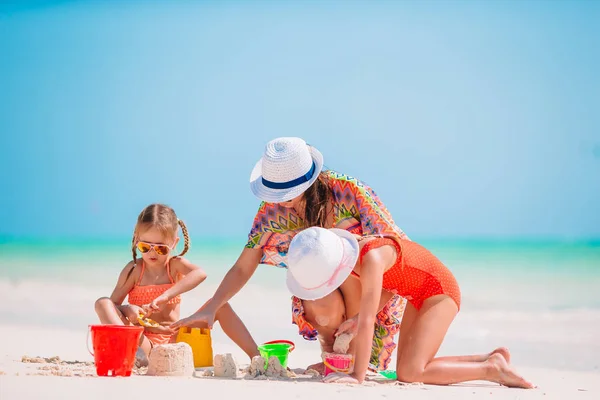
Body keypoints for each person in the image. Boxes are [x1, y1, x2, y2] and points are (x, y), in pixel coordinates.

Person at [172, 137, 408, 373]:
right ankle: (333, 355)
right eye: (275, 192)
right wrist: (212, 307)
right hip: (324, 297)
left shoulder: (348, 192)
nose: (279, 200)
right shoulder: (272, 209)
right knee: (312, 282)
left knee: (345, 262)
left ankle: (356, 358)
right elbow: (244, 266)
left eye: (286, 193)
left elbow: (393, 249)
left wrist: (362, 318)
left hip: (374, 293)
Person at [286, 226, 534, 388]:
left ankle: (491, 370)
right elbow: (389, 287)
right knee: (406, 369)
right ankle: (488, 357)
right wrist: (358, 317)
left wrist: (356, 377)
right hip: (417, 293)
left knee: (412, 373)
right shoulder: (349, 250)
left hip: (439, 292)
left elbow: (369, 322)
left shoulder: (370, 258)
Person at [95, 203, 258, 366]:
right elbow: (112, 306)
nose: (152, 253)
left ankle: (257, 357)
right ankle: (128, 349)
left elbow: (200, 274)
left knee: (222, 306)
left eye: (160, 249)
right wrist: (128, 310)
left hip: (175, 338)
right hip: (143, 341)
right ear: (137, 239)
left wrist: (166, 296)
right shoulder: (134, 270)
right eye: (145, 247)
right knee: (102, 302)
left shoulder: (174, 266)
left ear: (174, 243)